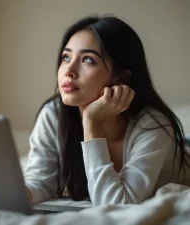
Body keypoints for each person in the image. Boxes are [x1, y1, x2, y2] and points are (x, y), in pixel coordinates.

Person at [23, 15, 190, 206]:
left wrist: (92, 122)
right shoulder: (53, 114)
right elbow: (42, 181)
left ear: (121, 78)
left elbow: (115, 204)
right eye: (66, 57)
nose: (69, 70)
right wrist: (16, 195)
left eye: (87, 59)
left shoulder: (154, 126)